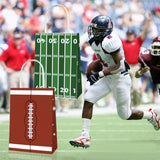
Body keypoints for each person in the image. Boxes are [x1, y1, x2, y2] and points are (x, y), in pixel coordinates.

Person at [69, 15, 160, 148]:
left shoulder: (110, 41)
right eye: (93, 29)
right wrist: (94, 65)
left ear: (105, 31)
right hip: (108, 77)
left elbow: (121, 65)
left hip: (120, 78)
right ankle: (85, 136)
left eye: (97, 30)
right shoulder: (94, 40)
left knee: (125, 114)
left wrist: (100, 74)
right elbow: (103, 60)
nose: (93, 32)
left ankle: (151, 115)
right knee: (88, 98)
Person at [121, 13, 152, 106]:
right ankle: (129, 106)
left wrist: (149, 21)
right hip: (126, 67)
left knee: (135, 87)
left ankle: (137, 105)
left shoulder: (137, 41)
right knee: (127, 88)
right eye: (128, 34)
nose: (130, 36)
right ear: (126, 35)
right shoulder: (123, 42)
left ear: (134, 35)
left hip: (135, 67)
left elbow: (144, 32)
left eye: (131, 34)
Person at [0, 29, 31, 111]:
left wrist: (27, 66)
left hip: (23, 71)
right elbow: (1, 59)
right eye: (16, 39)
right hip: (13, 72)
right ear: (13, 40)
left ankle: (24, 105)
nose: (17, 41)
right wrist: (6, 68)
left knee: (24, 88)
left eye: (19, 39)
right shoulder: (9, 49)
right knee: (12, 90)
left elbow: (29, 58)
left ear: (21, 40)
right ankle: (11, 107)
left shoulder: (24, 48)